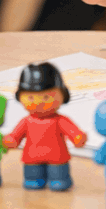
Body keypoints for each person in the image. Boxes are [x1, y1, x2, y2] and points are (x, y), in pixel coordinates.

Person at [5, 60, 87, 190]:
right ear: (20, 97)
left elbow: (73, 132)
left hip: (57, 157)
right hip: (32, 157)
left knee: (58, 177)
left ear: (63, 95)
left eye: (46, 97)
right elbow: (16, 135)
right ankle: (33, 180)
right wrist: (11, 139)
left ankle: (59, 180)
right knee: (32, 176)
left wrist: (77, 137)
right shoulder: (26, 121)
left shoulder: (60, 120)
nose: (39, 102)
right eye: (31, 98)